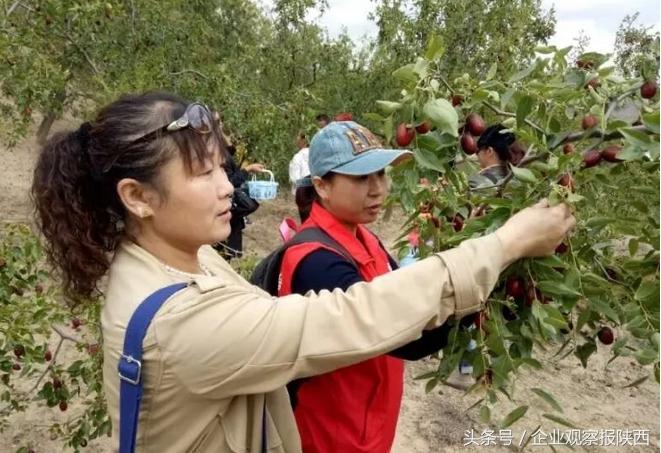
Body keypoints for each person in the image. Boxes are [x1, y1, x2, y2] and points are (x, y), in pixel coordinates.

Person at [31, 91, 574, 453]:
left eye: (224, 165)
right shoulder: (181, 324)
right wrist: (505, 243)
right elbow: (359, 315)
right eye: (204, 172)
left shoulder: (178, 259)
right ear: (138, 196)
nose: (228, 186)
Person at [280, 121, 475, 452]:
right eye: (360, 177)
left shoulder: (364, 237)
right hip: (330, 436)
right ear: (321, 186)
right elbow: (405, 337)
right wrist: (479, 285)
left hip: (369, 426)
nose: (378, 188)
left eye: (381, 174)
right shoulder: (316, 262)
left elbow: (406, 297)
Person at [216, 125, 264, 259]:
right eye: (217, 122)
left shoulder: (224, 151)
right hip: (227, 211)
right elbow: (229, 182)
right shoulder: (218, 155)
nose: (221, 126)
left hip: (231, 215)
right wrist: (247, 169)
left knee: (230, 254)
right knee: (226, 254)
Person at [468, 124, 515, 190]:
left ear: (489, 151)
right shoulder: (518, 183)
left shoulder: (476, 182)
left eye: (478, 151)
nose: (476, 155)